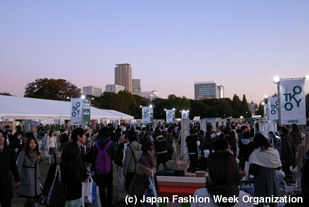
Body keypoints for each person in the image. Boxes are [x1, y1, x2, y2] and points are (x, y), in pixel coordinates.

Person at [44, 128, 88, 207]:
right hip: (75, 197)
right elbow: (83, 177)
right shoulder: (79, 166)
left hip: (58, 198)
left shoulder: (55, 167)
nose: (86, 137)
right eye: (84, 135)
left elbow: (47, 186)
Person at [248, 134, 281, 207]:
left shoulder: (256, 153)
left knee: (259, 200)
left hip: (260, 176)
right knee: (273, 200)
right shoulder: (274, 151)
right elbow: (278, 166)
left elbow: (251, 166)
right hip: (272, 176)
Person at [87, 127, 116, 207]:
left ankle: (102, 202)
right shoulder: (111, 143)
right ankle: (109, 202)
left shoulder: (96, 143)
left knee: (100, 186)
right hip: (108, 167)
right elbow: (114, 157)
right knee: (110, 186)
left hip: (98, 167)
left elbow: (94, 157)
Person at [16, 135, 42, 207]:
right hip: (27, 177)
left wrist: (39, 177)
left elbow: (37, 167)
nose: (33, 144)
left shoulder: (36, 154)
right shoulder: (23, 153)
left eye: (34, 143)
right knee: (30, 197)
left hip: (34, 178)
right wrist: (17, 178)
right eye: (31, 143)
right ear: (28, 143)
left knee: (34, 197)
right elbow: (18, 166)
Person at [0, 129, 21, 207]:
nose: (1, 138)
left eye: (2, 136)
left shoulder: (8, 151)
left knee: (6, 202)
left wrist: (17, 178)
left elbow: (13, 166)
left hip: (6, 182)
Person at [135, 140, 157, 207]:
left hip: (144, 184)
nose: (154, 152)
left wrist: (153, 169)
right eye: (153, 150)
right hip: (143, 185)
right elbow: (150, 173)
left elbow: (153, 168)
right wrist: (153, 169)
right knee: (147, 203)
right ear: (148, 151)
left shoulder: (145, 158)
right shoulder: (143, 159)